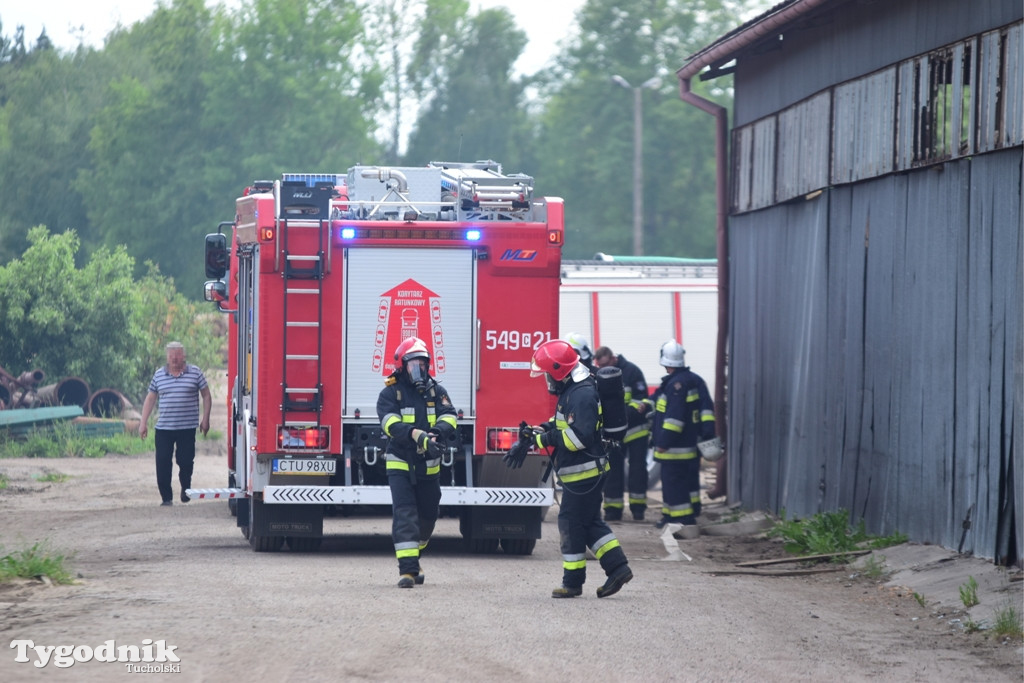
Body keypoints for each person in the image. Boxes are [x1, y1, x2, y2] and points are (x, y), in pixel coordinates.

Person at [504, 339, 632, 599]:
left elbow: (579, 438)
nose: (547, 381)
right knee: (589, 523)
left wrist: (543, 440)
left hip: (584, 473)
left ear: (559, 371)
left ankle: (572, 582)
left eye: (548, 375)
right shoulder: (573, 389)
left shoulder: (582, 394)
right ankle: (618, 568)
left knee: (571, 523)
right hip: (584, 471)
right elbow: (562, 421)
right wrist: (539, 430)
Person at [377, 337, 457, 588]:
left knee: (429, 515)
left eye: (422, 364)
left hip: (429, 466)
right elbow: (390, 424)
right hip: (401, 462)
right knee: (405, 513)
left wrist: (437, 433)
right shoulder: (390, 392)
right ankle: (408, 571)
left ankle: (417, 553)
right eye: (413, 364)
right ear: (402, 365)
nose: (418, 369)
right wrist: (416, 435)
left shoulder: (437, 392)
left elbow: (450, 416)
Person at [648, 339, 716, 529]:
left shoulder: (675, 385)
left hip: (675, 447)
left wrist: (663, 442)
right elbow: (707, 411)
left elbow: (674, 419)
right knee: (686, 482)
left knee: (673, 484)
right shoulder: (693, 380)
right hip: (691, 444)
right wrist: (707, 435)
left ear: (665, 360)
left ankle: (681, 519)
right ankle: (676, 515)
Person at [139, 341, 212, 506]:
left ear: (183, 356)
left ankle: (186, 488)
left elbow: (206, 395)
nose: (174, 359)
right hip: (164, 428)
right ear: (167, 357)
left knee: (186, 461)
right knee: (163, 461)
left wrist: (205, 419)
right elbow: (150, 398)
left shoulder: (195, 373)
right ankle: (166, 497)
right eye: (171, 356)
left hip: (187, 428)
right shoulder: (159, 375)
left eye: (177, 355)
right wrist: (143, 423)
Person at [592, 346, 651, 522]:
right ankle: (612, 510)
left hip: (635, 432)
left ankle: (638, 509)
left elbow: (642, 400)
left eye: (604, 364)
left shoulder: (632, 372)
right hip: (612, 432)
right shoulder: (600, 374)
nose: (601, 369)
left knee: (637, 471)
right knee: (612, 471)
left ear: (613, 359)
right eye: (598, 365)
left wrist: (621, 415)